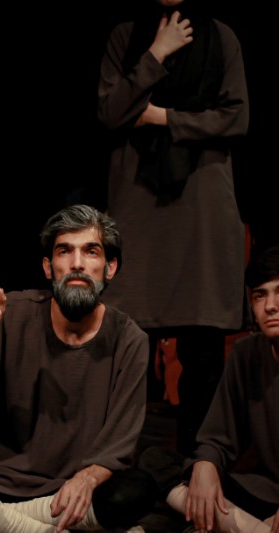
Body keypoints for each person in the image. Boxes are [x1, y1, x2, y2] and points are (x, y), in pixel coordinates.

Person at [0, 204, 157, 532]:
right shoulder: (14, 312)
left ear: (110, 267)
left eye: (91, 251)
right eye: (64, 251)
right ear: (48, 267)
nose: (77, 263)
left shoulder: (130, 339)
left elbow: (119, 443)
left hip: (71, 493)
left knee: (136, 491)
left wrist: (88, 478)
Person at [97, 0, 250, 456]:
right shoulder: (126, 34)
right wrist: (156, 53)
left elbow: (236, 116)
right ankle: (111, 465)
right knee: (128, 342)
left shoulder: (220, 35)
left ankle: (197, 467)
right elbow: (111, 111)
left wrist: (162, 117)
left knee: (202, 347)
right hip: (139, 205)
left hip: (201, 205)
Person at [139, 245, 279, 533]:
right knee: (156, 461)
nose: (270, 306)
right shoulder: (246, 354)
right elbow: (218, 436)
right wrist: (205, 463)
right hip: (264, 492)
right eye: (259, 295)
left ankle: (216, 524)